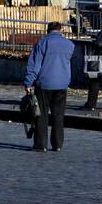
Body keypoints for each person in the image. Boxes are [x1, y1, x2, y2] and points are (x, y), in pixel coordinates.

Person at [24, 21, 75, 152]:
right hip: (62, 83)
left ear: (48, 30)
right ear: (61, 30)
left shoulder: (42, 43)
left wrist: (29, 82)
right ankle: (57, 144)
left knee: (41, 115)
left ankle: (41, 145)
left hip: (44, 83)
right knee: (58, 115)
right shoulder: (69, 45)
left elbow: (35, 65)